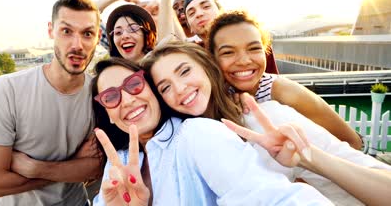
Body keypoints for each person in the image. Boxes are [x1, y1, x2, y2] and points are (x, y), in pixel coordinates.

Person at [141, 41, 391, 205]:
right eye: (165, 87)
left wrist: (307, 157)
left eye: (185, 71)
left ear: (208, 69)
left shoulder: (270, 118)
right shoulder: (180, 150)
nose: (180, 88)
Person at [90, 57, 331, 205]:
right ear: (108, 115)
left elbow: (265, 195)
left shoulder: (196, 134)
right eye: (111, 96)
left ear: (153, 90)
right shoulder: (117, 162)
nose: (128, 99)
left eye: (134, 84)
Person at [0, 0, 103, 205]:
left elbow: (96, 167)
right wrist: (71, 168)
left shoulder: (98, 94)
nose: (77, 44)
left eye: (87, 33)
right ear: (51, 30)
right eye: (66, 31)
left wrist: (35, 168)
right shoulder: (6, 90)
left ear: (97, 37)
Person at [207, 10, 363, 149]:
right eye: (228, 52)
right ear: (213, 58)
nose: (244, 61)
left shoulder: (283, 92)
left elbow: (352, 142)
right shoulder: (219, 93)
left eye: (254, 48)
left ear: (265, 50)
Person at [158, 0, 279, 74]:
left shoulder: (253, 41)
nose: (199, 14)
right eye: (191, 13)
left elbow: (274, 84)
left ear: (221, 12)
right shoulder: (196, 53)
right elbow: (167, 48)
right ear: (191, 28)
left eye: (206, 6)